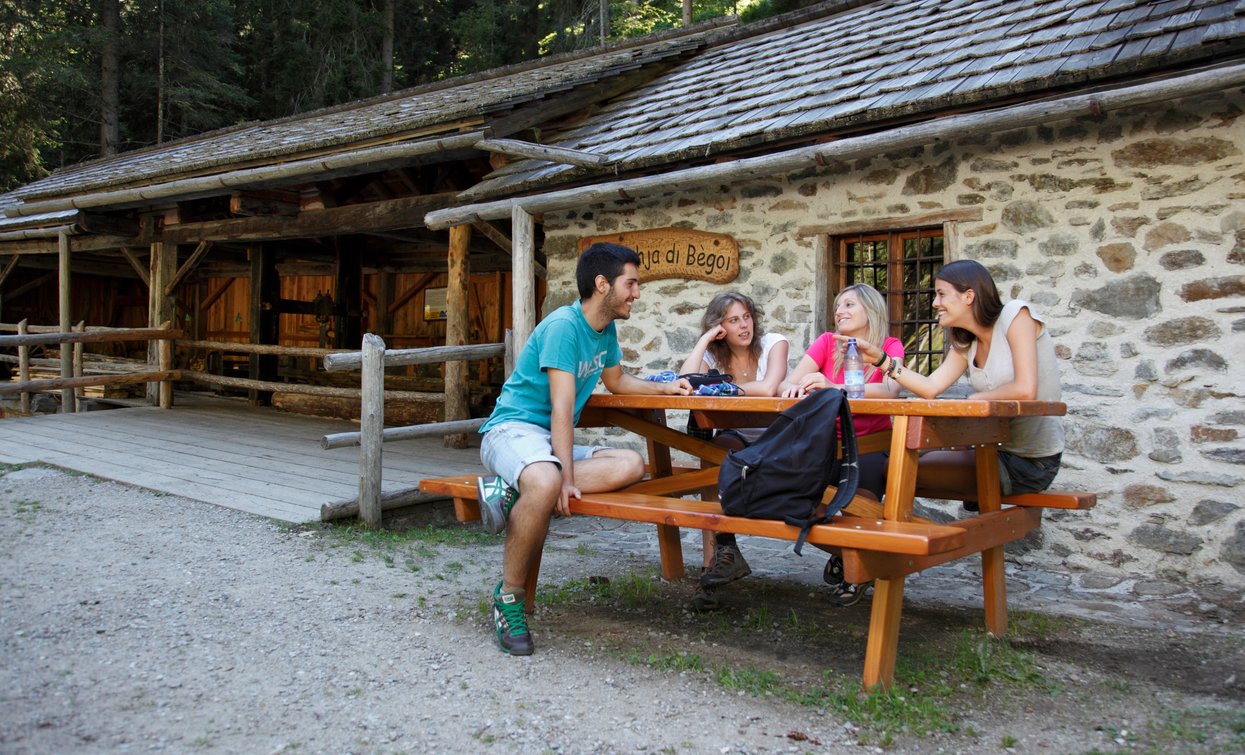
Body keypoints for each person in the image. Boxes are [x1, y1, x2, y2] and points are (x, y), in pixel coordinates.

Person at [475, 243, 691, 656]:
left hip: (545, 446)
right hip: (512, 431)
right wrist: (565, 480)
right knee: (547, 480)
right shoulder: (563, 327)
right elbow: (561, 407)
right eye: (632, 284)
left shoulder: (605, 329)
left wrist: (665, 386)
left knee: (630, 464)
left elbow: (618, 382)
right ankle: (508, 599)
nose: (637, 294)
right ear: (602, 283)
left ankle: (510, 490)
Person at [841, 259, 1063, 504]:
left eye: (941, 294)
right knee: (899, 461)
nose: (936, 303)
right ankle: (883, 531)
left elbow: (1025, 389)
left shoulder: (1015, 315)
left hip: (1030, 462)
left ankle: (896, 536)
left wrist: (973, 401)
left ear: (968, 296)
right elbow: (929, 388)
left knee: (896, 469)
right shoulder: (966, 343)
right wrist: (882, 360)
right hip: (988, 450)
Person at [778, 283, 904, 606]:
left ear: (871, 310)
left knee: (861, 506)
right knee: (795, 501)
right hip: (826, 443)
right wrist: (793, 388)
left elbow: (891, 390)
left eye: (849, 304)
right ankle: (847, 553)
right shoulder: (826, 343)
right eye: (837, 306)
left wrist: (834, 386)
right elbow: (790, 380)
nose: (839, 311)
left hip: (869, 445)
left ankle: (856, 567)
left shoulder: (890, 346)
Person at [677, 291, 789, 609]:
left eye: (747, 317)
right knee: (713, 457)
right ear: (720, 327)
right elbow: (685, 382)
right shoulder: (715, 356)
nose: (744, 325)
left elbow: (768, 388)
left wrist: (724, 387)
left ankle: (721, 555)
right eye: (733, 320)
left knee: (715, 455)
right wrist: (706, 339)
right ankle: (719, 558)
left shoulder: (773, 344)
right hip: (736, 436)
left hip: (777, 436)